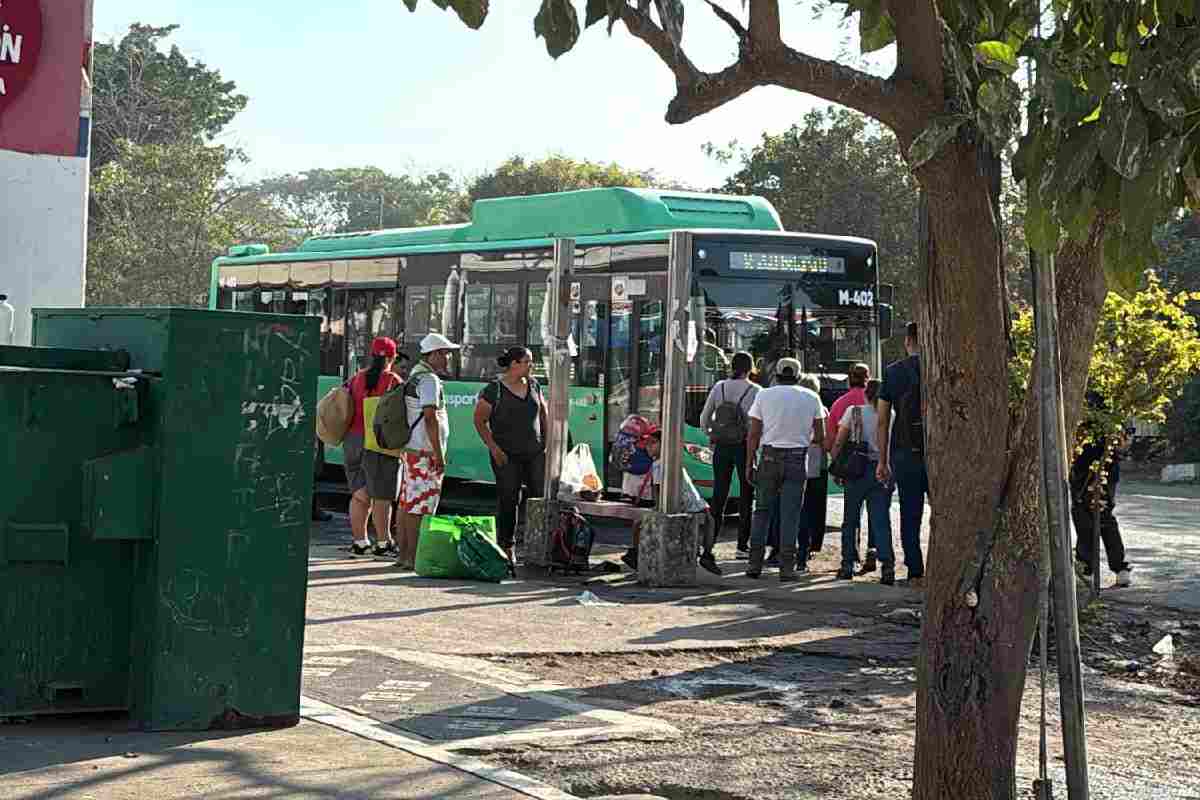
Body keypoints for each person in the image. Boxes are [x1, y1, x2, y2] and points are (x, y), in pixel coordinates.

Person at [746, 358, 827, 582]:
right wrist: (802, 439)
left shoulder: (764, 395)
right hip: (797, 460)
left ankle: (754, 564)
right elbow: (820, 436)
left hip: (769, 457)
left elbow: (753, 433)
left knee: (762, 511)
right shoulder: (812, 397)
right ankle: (787, 568)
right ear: (798, 376)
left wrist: (749, 462)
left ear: (777, 374)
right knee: (791, 515)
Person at [473, 346, 548, 562]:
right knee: (509, 499)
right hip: (506, 455)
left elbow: (544, 413)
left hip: (534, 453)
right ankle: (507, 546)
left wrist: (547, 443)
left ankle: (538, 546)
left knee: (538, 498)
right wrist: (494, 448)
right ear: (514, 364)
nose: (531, 366)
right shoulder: (494, 390)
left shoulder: (534, 384)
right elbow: (479, 421)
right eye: (527, 361)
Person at [394, 332, 460, 570]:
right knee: (420, 508)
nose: (447, 359)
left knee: (406, 505)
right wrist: (439, 455)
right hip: (425, 453)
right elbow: (430, 418)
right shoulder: (429, 380)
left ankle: (403, 556)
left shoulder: (415, 375)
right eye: (443, 354)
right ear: (432, 355)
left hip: (412, 450)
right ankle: (412, 558)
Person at [621, 429, 722, 576]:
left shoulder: (658, 464)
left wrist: (658, 508)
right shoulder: (670, 461)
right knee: (710, 520)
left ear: (665, 445)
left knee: (638, 523)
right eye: (647, 444)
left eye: (653, 443)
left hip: (685, 504)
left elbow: (657, 490)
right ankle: (707, 554)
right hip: (694, 504)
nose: (649, 447)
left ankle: (635, 553)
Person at [830, 379, 896, 585]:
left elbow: (840, 440)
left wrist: (835, 462)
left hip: (857, 470)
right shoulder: (891, 414)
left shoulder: (854, 412)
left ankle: (847, 564)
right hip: (881, 467)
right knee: (880, 520)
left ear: (866, 394)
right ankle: (887, 566)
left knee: (850, 519)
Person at [877, 322, 927, 586]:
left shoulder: (893, 372)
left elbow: (883, 420)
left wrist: (883, 460)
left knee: (910, 514)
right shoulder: (942, 365)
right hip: (937, 454)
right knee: (943, 513)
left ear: (908, 340)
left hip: (905, 453)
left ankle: (915, 571)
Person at [344, 336, 404, 556]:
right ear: (392, 357)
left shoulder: (356, 379)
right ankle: (383, 542)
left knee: (359, 493)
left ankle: (360, 542)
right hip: (379, 442)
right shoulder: (392, 380)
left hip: (352, 440)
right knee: (381, 495)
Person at [698, 351, 760, 557]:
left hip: (721, 446)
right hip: (744, 446)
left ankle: (709, 544)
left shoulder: (719, 387)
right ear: (751, 368)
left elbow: (704, 417)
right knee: (746, 495)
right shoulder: (756, 390)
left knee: (719, 495)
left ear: (731, 366)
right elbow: (758, 423)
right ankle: (742, 546)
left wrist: (711, 435)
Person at [1071, 391, 1132, 587]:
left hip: (1097, 468)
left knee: (1098, 517)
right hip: (1088, 467)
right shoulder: (1099, 398)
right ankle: (1090, 568)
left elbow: (1124, 440)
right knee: (1089, 518)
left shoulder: (1095, 397)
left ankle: (1100, 568)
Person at [826, 363, 876, 569]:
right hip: (874, 462)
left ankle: (851, 557)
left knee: (851, 515)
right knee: (877, 513)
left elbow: (832, 437)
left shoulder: (840, 404)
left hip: (851, 465)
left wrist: (835, 463)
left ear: (849, 379)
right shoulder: (877, 402)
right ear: (868, 378)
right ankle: (874, 550)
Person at [797, 373, 830, 561]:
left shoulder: (794, 409)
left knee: (799, 504)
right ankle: (813, 542)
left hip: (798, 460)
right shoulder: (822, 409)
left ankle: (798, 541)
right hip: (818, 464)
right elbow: (824, 438)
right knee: (816, 505)